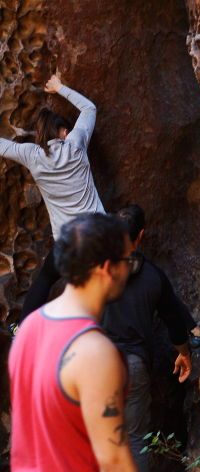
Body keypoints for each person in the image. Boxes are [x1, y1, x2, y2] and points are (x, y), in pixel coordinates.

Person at [7, 213, 154, 472]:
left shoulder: (29, 328)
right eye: (127, 260)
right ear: (106, 268)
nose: (129, 268)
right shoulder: (95, 352)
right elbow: (114, 462)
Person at [101, 204, 194, 472]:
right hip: (134, 366)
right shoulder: (154, 277)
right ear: (141, 236)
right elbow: (174, 322)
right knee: (135, 440)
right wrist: (184, 354)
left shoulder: (95, 271)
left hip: (97, 364)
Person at [0, 73, 105, 331]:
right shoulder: (75, 144)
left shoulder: (32, 155)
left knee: (46, 280)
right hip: (101, 235)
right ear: (63, 132)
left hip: (68, 243)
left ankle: (24, 328)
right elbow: (89, 107)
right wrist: (59, 87)